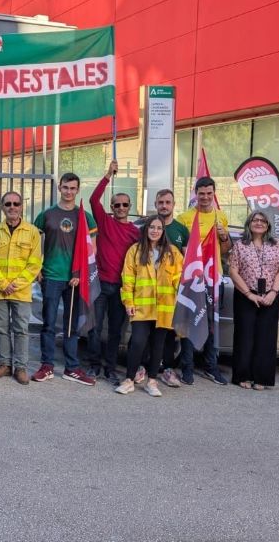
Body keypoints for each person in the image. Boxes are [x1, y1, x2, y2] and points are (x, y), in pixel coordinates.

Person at [31, 172, 98, 386]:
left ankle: (72, 368)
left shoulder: (84, 217)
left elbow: (92, 249)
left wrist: (81, 274)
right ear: (59, 188)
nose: (69, 192)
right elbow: (34, 242)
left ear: (78, 190)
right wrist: (37, 268)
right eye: (65, 187)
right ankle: (47, 366)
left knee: (71, 327)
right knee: (49, 324)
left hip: (74, 279)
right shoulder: (47, 214)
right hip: (51, 276)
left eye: (73, 188)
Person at [85, 159, 140, 383]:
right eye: (117, 205)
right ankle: (94, 366)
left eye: (124, 205)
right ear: (112, 207)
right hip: (100, 284)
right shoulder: (105, 222)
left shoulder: (136, 233)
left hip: (121, 288)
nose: (121, 208)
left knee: (116, 331)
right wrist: (108, 175)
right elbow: (93, 199)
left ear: (130, 207)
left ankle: (110, 368)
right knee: (95, 328)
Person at [115, 217, 183, 397]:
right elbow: (127, 279)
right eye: (152, 227)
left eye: (159, 228)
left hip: (164, 308)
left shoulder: (173, 253)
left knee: (158, 346)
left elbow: (180, 279)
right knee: (137, 342)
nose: (155, 231)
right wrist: (128, 302)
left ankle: (152, 382)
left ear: (163, 231)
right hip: (142, 307)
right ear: (146, 229)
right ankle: (129, 380)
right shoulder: (135, 250)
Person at [176, 176, 231, 386]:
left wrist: (224, 237)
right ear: (196, 194)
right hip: (191, 279)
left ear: (214, 194)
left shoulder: (221, 217)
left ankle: (211, 367)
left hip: (213, 278)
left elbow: (225, 251)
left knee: (211, 323)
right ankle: (187, 368)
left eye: (209, 193)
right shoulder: (184, 218)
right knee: (188, 323)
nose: (205, 197)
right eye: (201, 194)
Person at [0, 191, 42, 385]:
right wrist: (2, 284)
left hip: (21, 291)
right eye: (8, 204)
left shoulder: (32, 232)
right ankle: (5, 365)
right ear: (2, 207)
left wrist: (16, 284)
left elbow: (35, 263)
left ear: (21, 206)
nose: (12, 207)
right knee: (2, 329)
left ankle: (21, 367)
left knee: (21, 330)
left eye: (16, 203)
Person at [227, 211, 279, 390]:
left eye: (263, 221)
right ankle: (242, 376)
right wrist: (249, 294)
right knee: (244, 337)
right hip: (246, 295)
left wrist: (273, 292)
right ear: (249, 223)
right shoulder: (240, 245)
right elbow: (233, 271)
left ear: (268, 225)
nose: (259, 223)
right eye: (255, 220)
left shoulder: (276, 245)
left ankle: (262, 378)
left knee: (266, 338)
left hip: (270, 296)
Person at [153, 188, 188, 387]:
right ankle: (142, 367)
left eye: (168, 202)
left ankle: (167, 369)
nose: (164, 206)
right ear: (155, 205)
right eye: (161, 202)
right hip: (148, 292)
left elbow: (186, 262)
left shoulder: (181, 230)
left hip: (170, 293)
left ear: (174, 205)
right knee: (146, 331)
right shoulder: (148, 226)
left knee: (168, 334)